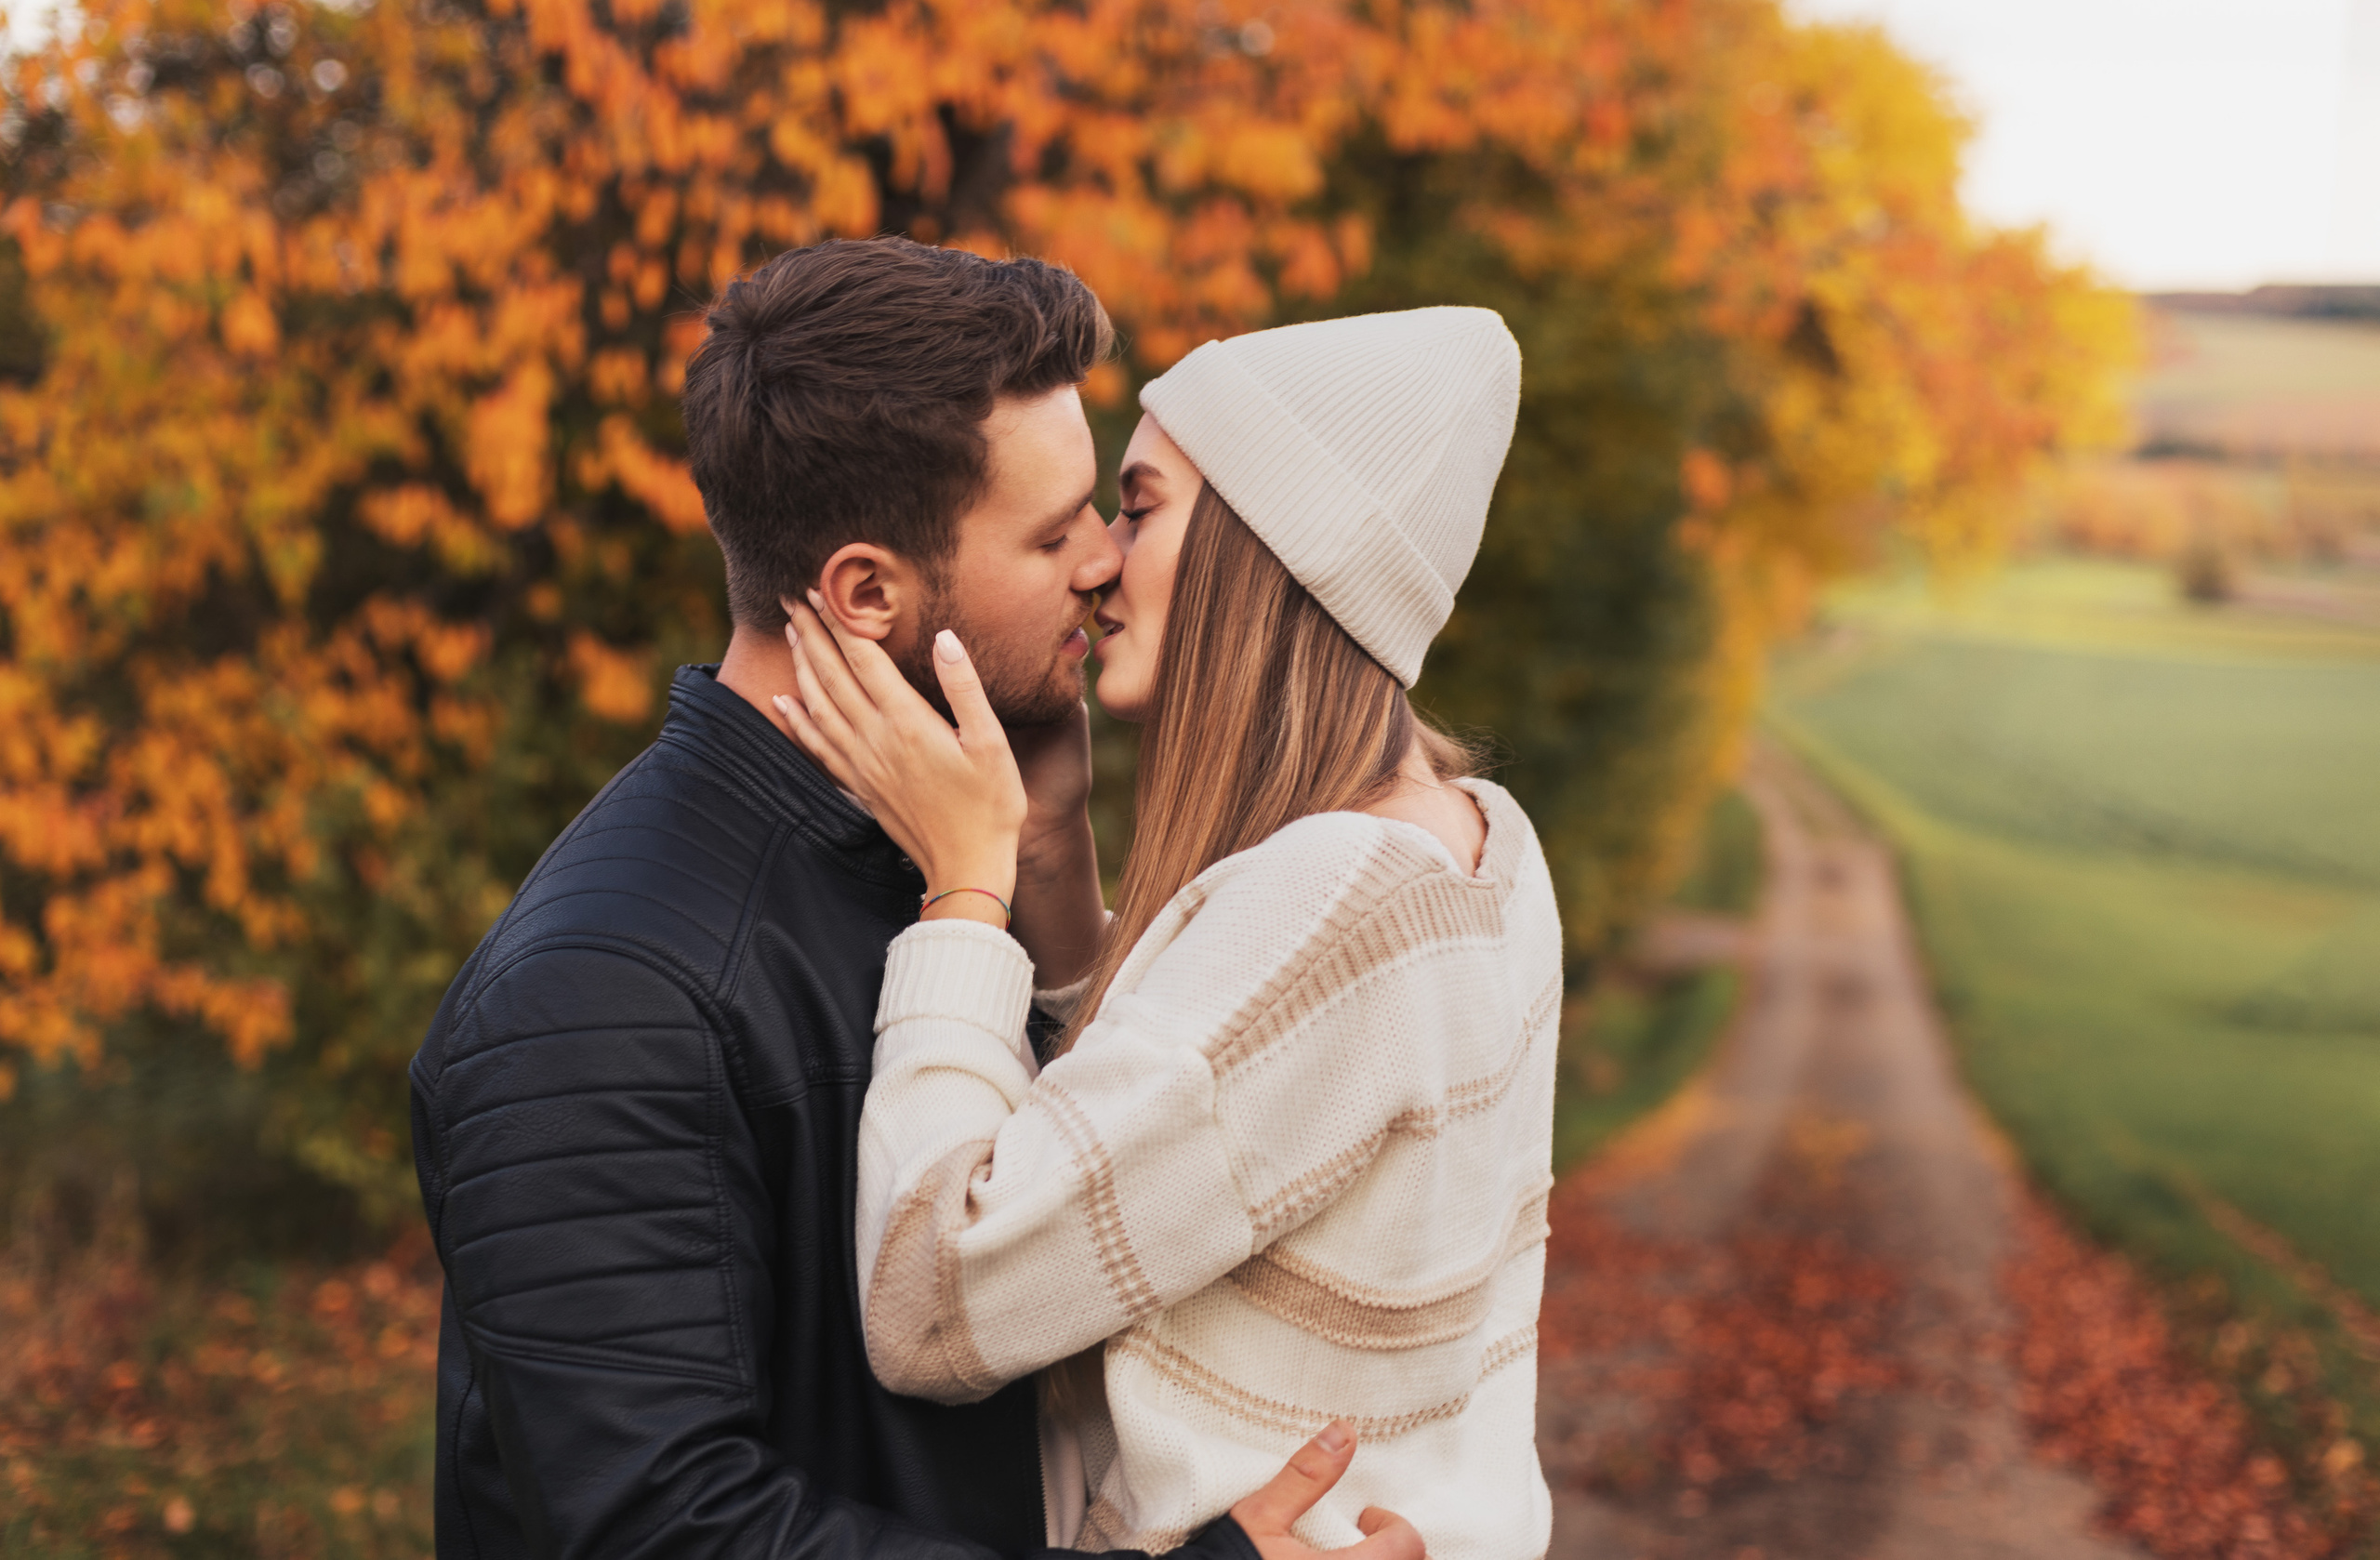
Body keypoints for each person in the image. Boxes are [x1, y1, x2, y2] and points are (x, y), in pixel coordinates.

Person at [405, 238, 1424, 1560]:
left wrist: (1048, 858)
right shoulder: (603, 989)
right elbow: (658, 1527)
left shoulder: (944, 852)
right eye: (1057, 532)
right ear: (866, 594)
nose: (1109, 563)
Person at [775, 307, 1558, 1559]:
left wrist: (965, 892)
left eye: (1138, 507)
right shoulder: (1483, 844)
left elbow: (930, 1302)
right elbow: (1210, 1134)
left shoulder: (1339, 902)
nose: (1098, 558)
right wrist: (1052, 848)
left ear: (1267, 548)